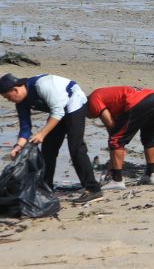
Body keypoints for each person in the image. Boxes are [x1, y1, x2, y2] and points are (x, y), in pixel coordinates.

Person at [0, 73, 102, 204]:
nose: (9, 100)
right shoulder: (21, 102)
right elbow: (25, 128)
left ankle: (93, 189)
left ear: (15, 89)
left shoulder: (42, 85)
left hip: (74, 102)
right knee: (48, 149)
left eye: (8, 97)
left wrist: (41, 134)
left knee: (76, 148)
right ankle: (46, 187)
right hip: (58, 111)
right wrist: (18, 146)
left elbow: (58, 112)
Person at [86, 86, 154, 189]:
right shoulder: (105, 98)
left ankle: (117, 180)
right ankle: (151, 175)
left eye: (87, 115)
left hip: (138, 101)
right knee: (148, 138)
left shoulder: (92, 100)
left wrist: (111, 165)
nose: (89, 117)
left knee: (116, 141)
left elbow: (111, 127)